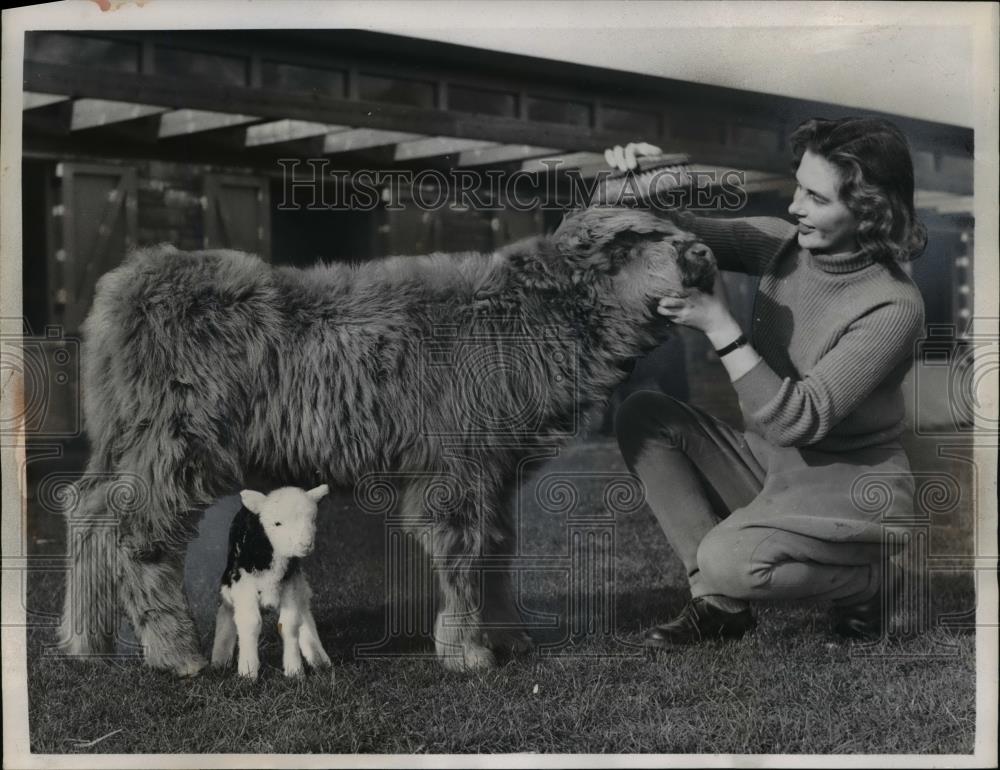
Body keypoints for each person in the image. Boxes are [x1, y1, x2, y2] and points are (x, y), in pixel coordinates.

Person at [608, 117, 927, 646]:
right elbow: (680, 234)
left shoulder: (893, 305)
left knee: (728, 559)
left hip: (848, 489)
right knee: (644, 415)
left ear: (870, 210)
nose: (794, 206)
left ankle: (870, 583)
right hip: (774, 465)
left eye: (816, 198)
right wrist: (643, 183)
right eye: (798, 186)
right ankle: (718, 604)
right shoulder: (783, 245)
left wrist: (720, 326)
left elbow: (797, 420)